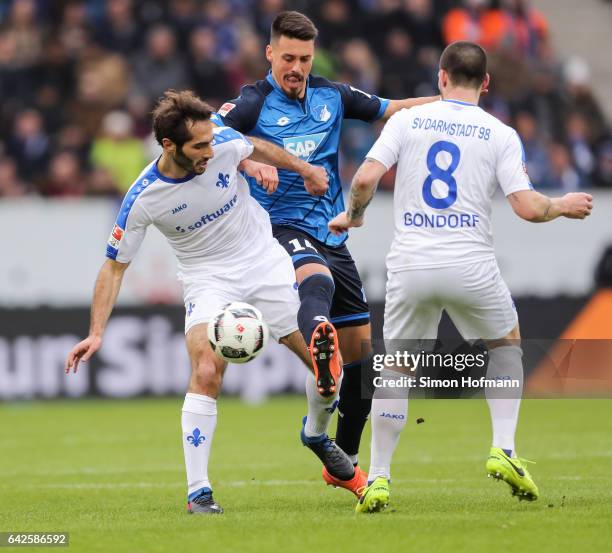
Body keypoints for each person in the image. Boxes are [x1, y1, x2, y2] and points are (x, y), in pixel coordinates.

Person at [328, 41, 593, 512]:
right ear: (486, 83)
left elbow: (365, 179)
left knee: (397, 368)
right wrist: (562, 206)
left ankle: (382, 477)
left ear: (441, 77)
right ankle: (504, 449)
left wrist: (354, 215)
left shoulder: (407, 120)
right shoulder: (500, 132)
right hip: (470, 264)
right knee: (506, 345)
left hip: (410, 265)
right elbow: (527, 208)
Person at [65, 90, 356, 515]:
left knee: (325, 365)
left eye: (210, 141)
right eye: (199, 146)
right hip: (206, 277)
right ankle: (198, 492)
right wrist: (95, 332)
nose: (210, 149)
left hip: (262, 261)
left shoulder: (220, 141)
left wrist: (304, 168)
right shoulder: (144, 197)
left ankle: (315, 433)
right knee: (205, 369)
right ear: (169, 146)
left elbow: (255, 145)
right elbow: (114, 268)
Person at [215, 10, 438, 496]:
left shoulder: (331, 95)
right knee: (316, 282)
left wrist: (451, 104)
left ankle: (345, 462)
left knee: (362, 366)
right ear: (270, 54)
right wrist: (252, 163)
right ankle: (319, 340)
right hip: (277, 230)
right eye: (287, 57)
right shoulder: (253, 101)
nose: (295, 67)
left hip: (333, 234)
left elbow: (393, 108)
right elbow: (214, 135)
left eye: (304, 58)